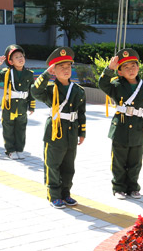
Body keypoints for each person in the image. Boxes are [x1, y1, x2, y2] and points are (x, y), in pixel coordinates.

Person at [31, 47, 86, 209]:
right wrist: (46, 74)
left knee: (69, 166)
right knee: (53, 164)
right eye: (61, 67)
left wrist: (82, 131)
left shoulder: (78, 90)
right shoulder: (49, 89)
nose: (66, 70)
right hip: (54, 131)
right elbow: (34, 91)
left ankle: (65, 193)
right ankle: (54, 195)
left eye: (68, 66)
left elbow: (81, 113)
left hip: (71, 131)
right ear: (54, 70)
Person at [98, 48, 143, 200]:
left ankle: (133, 187)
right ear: (120, 72)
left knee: (136, 161)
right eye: (126, 67)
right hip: (119, 128)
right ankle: (119, 187)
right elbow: (102, 84)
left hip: (136, 128)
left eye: (133, 66)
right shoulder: (116, 85)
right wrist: (109, 69)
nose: (131, 70)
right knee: (119, 161)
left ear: (138, 67)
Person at [0, 44, 35, 159]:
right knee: (9, 129)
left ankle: (20, 149)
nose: (20, 59)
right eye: (16, 57)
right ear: (10, 61)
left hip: (22, 106)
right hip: (9, 106)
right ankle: (10, 150)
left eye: (21, 56)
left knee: (21, 129)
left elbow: (31, 90)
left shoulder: (29, 74)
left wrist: (31, 105)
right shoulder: (7, 73)